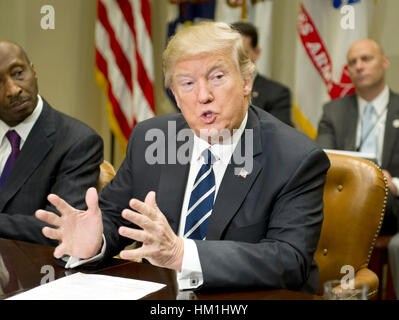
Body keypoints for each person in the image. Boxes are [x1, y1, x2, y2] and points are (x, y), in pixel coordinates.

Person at [36, 22, 330, 293]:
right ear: (175, 95)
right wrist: (96, 241)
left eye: (217, 77)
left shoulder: (296, 158)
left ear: (246, 82)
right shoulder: (151, 138)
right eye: (187, 83)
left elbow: (289, 260)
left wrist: (181, 254)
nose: (203, 95)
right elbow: (116, 215)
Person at [0, 41, 103, 246]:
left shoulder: (79, 142)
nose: (13, 90)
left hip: (35, 271)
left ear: (33, 71)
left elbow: (59, 227)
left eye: (18, 73)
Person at [316, 39, 399, 236]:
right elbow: (324, 159)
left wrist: (394, 183)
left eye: (366, 59)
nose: (359, 66)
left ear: (385, 62)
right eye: (352, 62)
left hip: (391, 202)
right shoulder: (333, 111)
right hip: (342, 195)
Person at [231, 21, 292, 126]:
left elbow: (276, 137)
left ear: (256, 53)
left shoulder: (277, 94)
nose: (236, 59)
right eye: (231, 53)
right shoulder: (211, 89)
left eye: (243, 54)